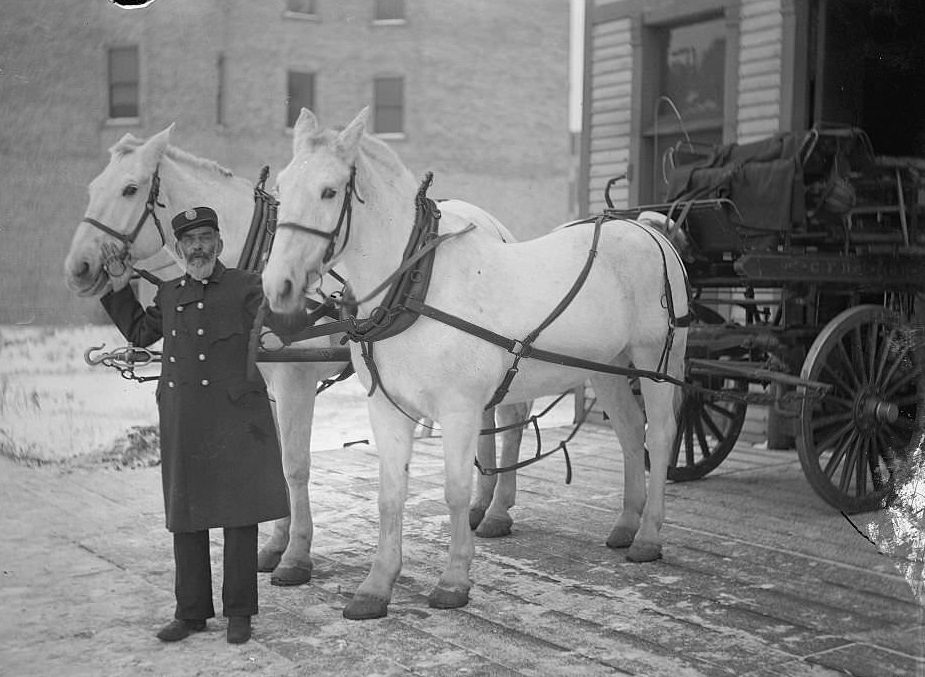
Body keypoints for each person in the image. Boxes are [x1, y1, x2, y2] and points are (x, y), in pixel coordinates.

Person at [101, 206, 301, 645]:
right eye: (190, 241)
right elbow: (139, 332)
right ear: (178, 249)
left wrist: (292, 288)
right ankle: (190, 613)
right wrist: (119, 284)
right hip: (185, 417)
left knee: (239, 517)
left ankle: (240, 614)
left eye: (206, 238)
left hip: (236, 419)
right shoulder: (170, 293)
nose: (198, 247)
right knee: (187, 516)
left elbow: (285, 322)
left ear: (219, 244)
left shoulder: (248, 287)